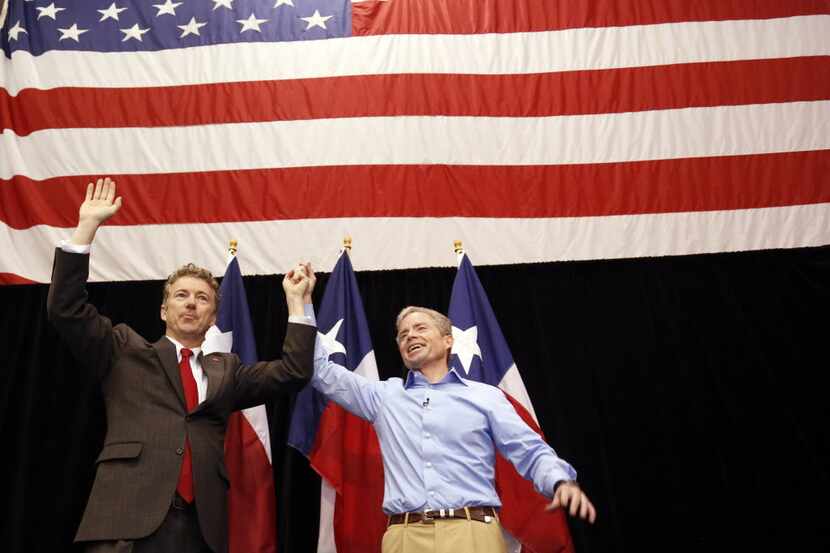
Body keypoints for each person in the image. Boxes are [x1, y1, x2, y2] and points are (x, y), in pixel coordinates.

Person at [47, 178, 317, 553]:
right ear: (163, 309)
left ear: (212, 316)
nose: (191, 304)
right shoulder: (124, 349)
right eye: (181, 296)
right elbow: (66, 309)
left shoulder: (228, 371)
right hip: (126, 524)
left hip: (199, 529)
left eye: (202, 298)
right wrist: (86, 228)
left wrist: (296, 303)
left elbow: (294, 372)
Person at [298, 262, 595, 553]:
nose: (410, 335)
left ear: (448, 340)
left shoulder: (485, 396)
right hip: (405, 537)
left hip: (472, 534)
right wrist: (302, 303)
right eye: (402, 334)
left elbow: (529, 450)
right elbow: (318, 370)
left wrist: (559, 481)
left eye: (420, 328)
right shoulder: (384, 396)